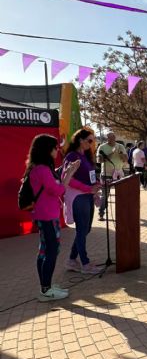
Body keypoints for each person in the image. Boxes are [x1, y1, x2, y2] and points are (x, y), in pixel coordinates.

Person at [26, 134, 80, 301]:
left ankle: (46, 285)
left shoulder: (38, 167)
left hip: (44, 215)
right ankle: (46, 290)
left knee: (44, 250)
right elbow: (59, 190)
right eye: (55, 147)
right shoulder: (42, 169)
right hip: (47, 216)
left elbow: (55, 186)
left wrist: (66, 173)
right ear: (47, 149)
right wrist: (70, 173)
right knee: (50, 251)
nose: (57, 150)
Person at [63, 128, 104, 275]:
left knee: (85, 230)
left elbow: (90, 175)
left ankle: (71, 260)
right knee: (82, 230)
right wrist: (88, 188)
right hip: (78, 197)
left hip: (87, 196)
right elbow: (68, 180)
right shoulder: (71, 156)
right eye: (90, 140)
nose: (92, 144)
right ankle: (85, 264)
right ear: (80, 140)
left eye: (93, 141)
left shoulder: (86, 156)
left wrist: (97, 183)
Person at [96, 132, 127, 221]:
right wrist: (111, 153)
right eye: (109, 138)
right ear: (107, 138)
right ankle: (101, 214)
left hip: (118, 174)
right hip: (106, 175)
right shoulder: (102, 147)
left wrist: (121, 154)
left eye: (113, 138)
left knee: (121, 195)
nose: (111, 139)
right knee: (105, 195)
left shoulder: (120, 146)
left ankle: (122, 213)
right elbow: (99, 160)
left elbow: (125, 159)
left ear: (115, 138)